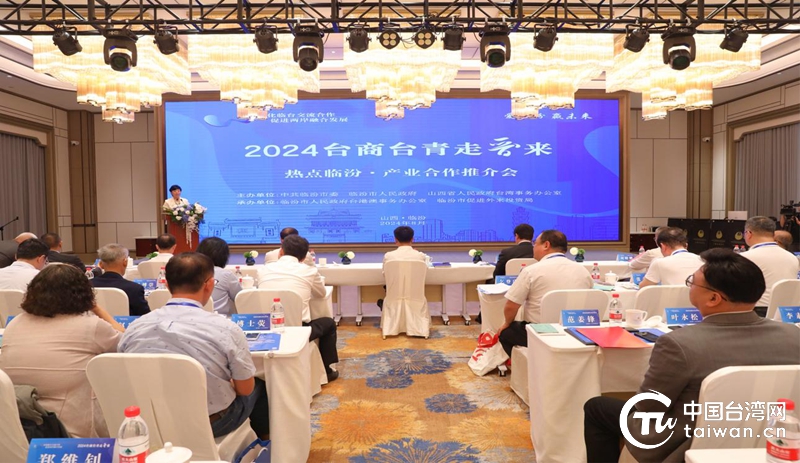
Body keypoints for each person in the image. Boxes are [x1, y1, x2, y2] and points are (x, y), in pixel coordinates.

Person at [583, 249, 800, 463]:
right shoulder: (793, 335)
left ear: (714, 298)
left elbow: (649, 405)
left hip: (682, 443)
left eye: (692, 282)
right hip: (771, 439)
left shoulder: (679, 344)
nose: (689, 287)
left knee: (597, 408)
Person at [119, 253, 270, 439]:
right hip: (212, 423)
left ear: (167, 285)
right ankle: (264, 444)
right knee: (259, 385)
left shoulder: (135, 327)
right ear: (209, 285)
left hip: (148, 421)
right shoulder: (226, 329)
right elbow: (245, 389)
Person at [0, 264, 122, 438]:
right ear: (84, 294)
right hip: (70, 434)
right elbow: (126, 344)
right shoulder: (91, 327)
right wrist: (98, 309)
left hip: (19, 428)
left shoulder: (15, 323)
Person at [497, 230, 593, 356]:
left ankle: (529, 363)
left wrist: (506, 323)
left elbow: (511, 306)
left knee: (506, 333)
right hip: (576, 332)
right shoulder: (583, 271)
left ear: (546, 245)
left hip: (540, 333)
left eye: (535, 244)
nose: (533, 247)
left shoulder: (531, 271)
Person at [258, 235, 339, 382]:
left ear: (281, 252)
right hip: (298, 331)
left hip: (266, 329)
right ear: (303, 257)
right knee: (329, 323)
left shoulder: (263, 270)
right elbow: (321, 294)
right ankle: (326, 370)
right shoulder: (308, 270)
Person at [740, 216, 800, 315]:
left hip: (756, 313)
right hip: (788, 313)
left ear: (749, 234)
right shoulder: (792, 257)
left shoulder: (745, 258)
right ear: (773, 234)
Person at [91, 244, 150, 316]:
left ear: (101, 264)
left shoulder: (87, 286)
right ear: (125, 262)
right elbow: (146, 317)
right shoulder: (134, 289)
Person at [197, 237, 241, 315]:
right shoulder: (226, 275)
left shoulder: (190, 272)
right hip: (221, 317)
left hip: (194, 316)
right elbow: (240, 297)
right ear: (224, 256)